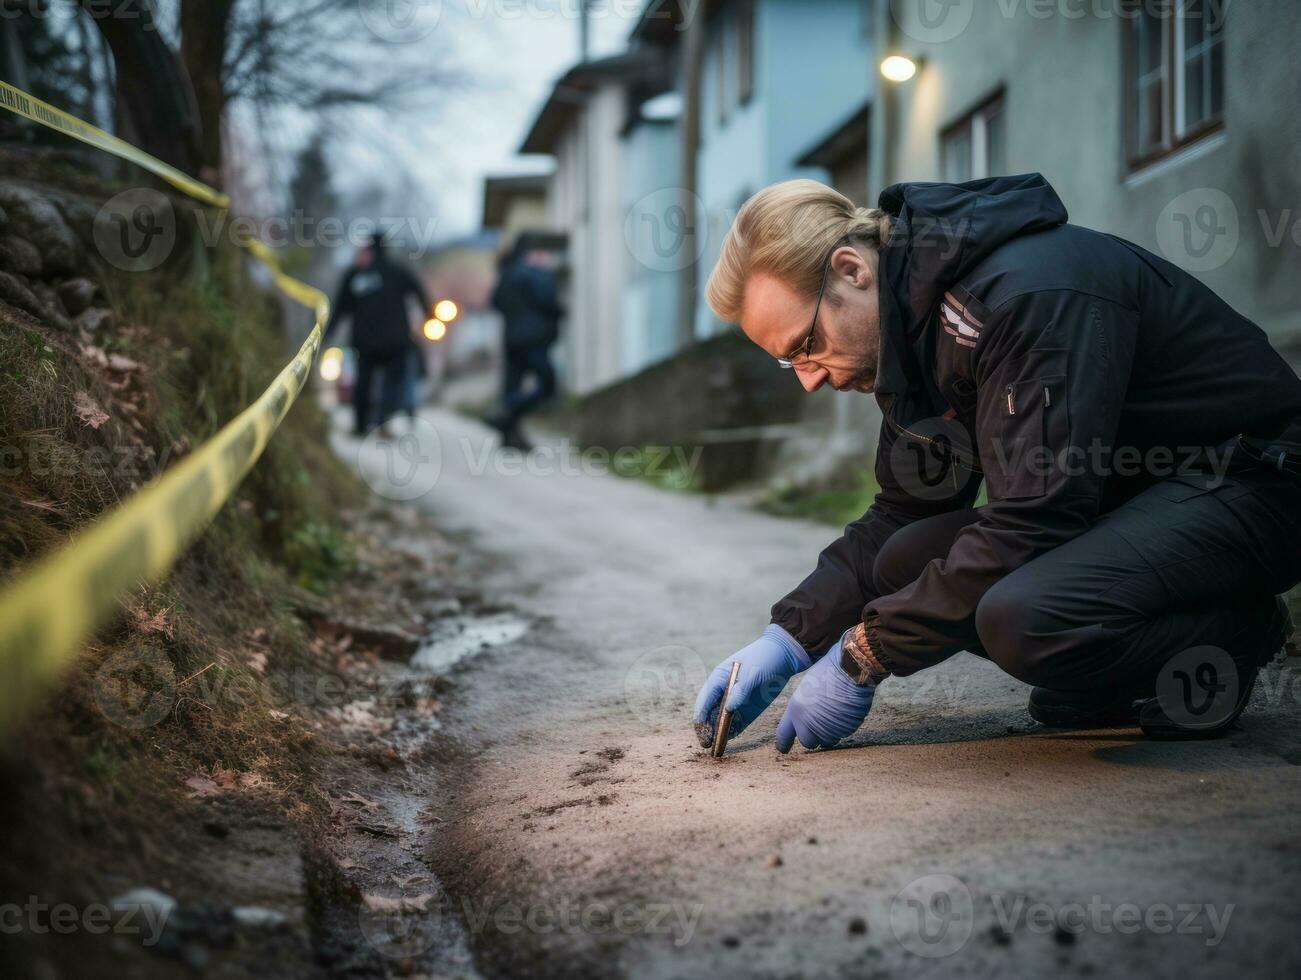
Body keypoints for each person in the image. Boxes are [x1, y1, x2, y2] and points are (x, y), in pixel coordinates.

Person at [693, 174, 1301, 752]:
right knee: (902, 557)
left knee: (1027, 619)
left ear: (851, 270)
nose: (808, 380)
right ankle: (1120, 675)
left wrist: (863, 655)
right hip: (1139, 495)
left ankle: (1231, 634)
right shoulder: (912, 337)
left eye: (804, 347)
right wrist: (788, 639)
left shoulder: (1025, 296)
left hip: (1253, 479)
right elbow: (904, 511)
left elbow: (1036, 517)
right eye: (788, 362)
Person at [325, 232, 431, 437]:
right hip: (395, 341)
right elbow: (418, 289)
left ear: (368, 250)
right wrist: (429, 314)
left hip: (366, 342)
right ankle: (383, 422)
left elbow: (340, 308)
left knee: (363, 383)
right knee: (393, 384)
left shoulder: (355, 275)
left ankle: (361, 426)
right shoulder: (396, 272)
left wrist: (328, 333)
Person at [486, 240, 562, 451]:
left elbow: (494, 303)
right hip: (534, 338)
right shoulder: (532, 273)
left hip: (512, 339)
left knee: (513, 386)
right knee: (548, 384)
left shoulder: (506, 277)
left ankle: (510, 434)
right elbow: (548, 299)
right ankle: (507, 410)